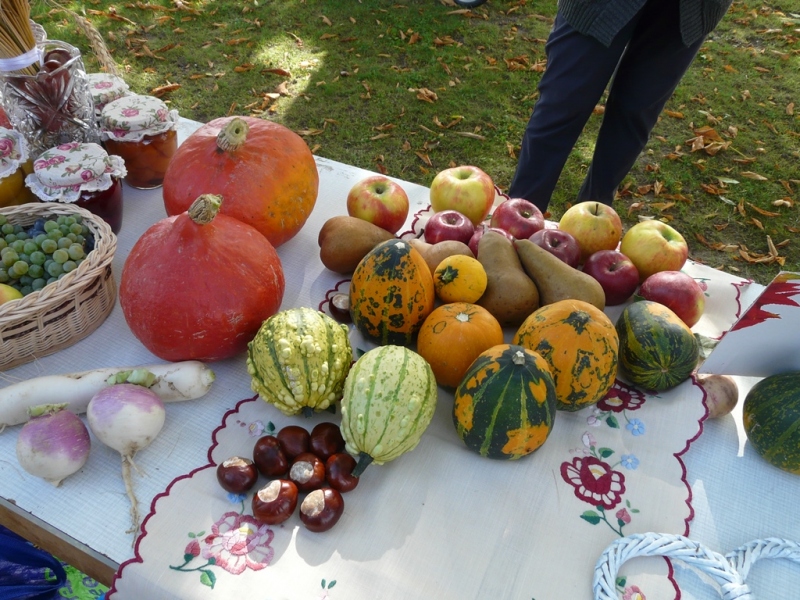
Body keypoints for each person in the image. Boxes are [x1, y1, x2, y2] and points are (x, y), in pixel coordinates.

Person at [507, 0, 733, 212]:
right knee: (563, 101)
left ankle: (595, 224)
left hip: (690, 7)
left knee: (635, 113)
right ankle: (518, 220)